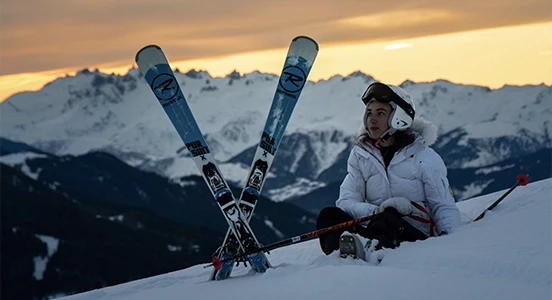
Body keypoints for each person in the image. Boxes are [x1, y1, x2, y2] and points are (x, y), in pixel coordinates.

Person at [316, 82, 461, 262]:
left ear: (398, 119)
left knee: (389, 216)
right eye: (369, 113)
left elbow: (443, 205)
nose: (372, 119)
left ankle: (368, 253)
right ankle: (340, 256)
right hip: (374, 228)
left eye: (380, 113)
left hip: (413, 236)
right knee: (329, 215)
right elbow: (346, 201)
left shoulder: (424, 157)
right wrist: (376, 210)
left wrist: (451, 238)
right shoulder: (361, 156)